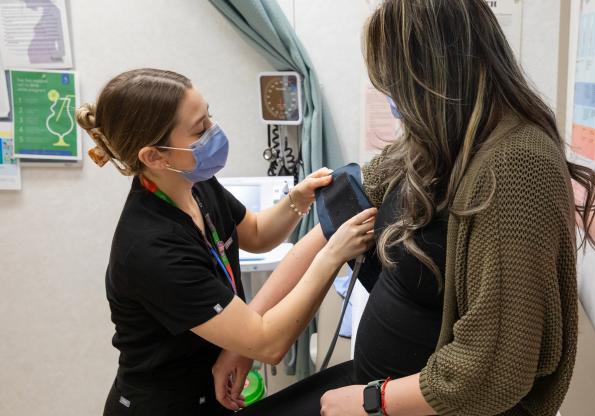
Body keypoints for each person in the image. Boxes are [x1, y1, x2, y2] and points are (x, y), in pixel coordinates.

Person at [237, 1, 595, 415]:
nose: (389, 97)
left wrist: (375, 401)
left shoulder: (517, 164)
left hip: (435, 404)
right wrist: (248, 335)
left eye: (394, 83)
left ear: (433, 78)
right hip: (381, 388)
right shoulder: (429, 144)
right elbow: (330, 227)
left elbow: (497, 366)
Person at [77, 68, 377, 415]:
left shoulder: (195, 184)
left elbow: (257, 234)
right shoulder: (151, 248)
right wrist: (332, 254)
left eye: (209, 117)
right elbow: (268, 342)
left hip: (213, 390)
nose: (213, 133)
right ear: (155, 157)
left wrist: (297, 199)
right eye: (199, 129)